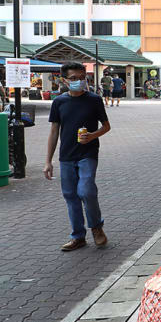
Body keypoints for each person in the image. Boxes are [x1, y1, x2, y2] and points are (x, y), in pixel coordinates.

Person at [44, 62, 111, 251]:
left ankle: (97, 227)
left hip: (88, 153)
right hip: (66, 155)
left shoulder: (94, 99)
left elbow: (106, 126)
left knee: (86, 191)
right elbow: (54, 131)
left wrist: (92, 136)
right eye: (73, 78)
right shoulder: (59, 102)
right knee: (70, 196)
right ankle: (78, 236)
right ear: (64, 80)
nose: (79, 81)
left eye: (82, 78)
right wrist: (48, 161)